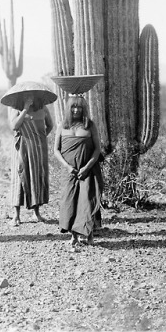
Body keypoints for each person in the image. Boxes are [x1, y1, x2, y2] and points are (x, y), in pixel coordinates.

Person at [54, 95, 103, 246]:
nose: (76, 110)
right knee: (69, 201)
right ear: (68, 109)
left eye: (79, 107)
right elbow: (56, 150)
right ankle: (73, 236)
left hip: (87, 169)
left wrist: (87, 167)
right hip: (69, 171)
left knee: (87, 201)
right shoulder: (63, 126)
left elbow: (97, 149)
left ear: (84, 109)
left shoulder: (90, 125)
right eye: (73, 107)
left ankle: (89, 235)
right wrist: (68, 167)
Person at [9, 94, 54, 226]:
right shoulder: (16, 109)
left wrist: (39, 137)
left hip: (38, 148)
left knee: (36, 177)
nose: (30, 98)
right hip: (21, 147)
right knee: (19, 177)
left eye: (32, 95)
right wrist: (24, 109)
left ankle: (36, 212)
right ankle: (16, 215)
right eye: (26, 96)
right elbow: (14, 126)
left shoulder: (43, 109)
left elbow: (50, 125)